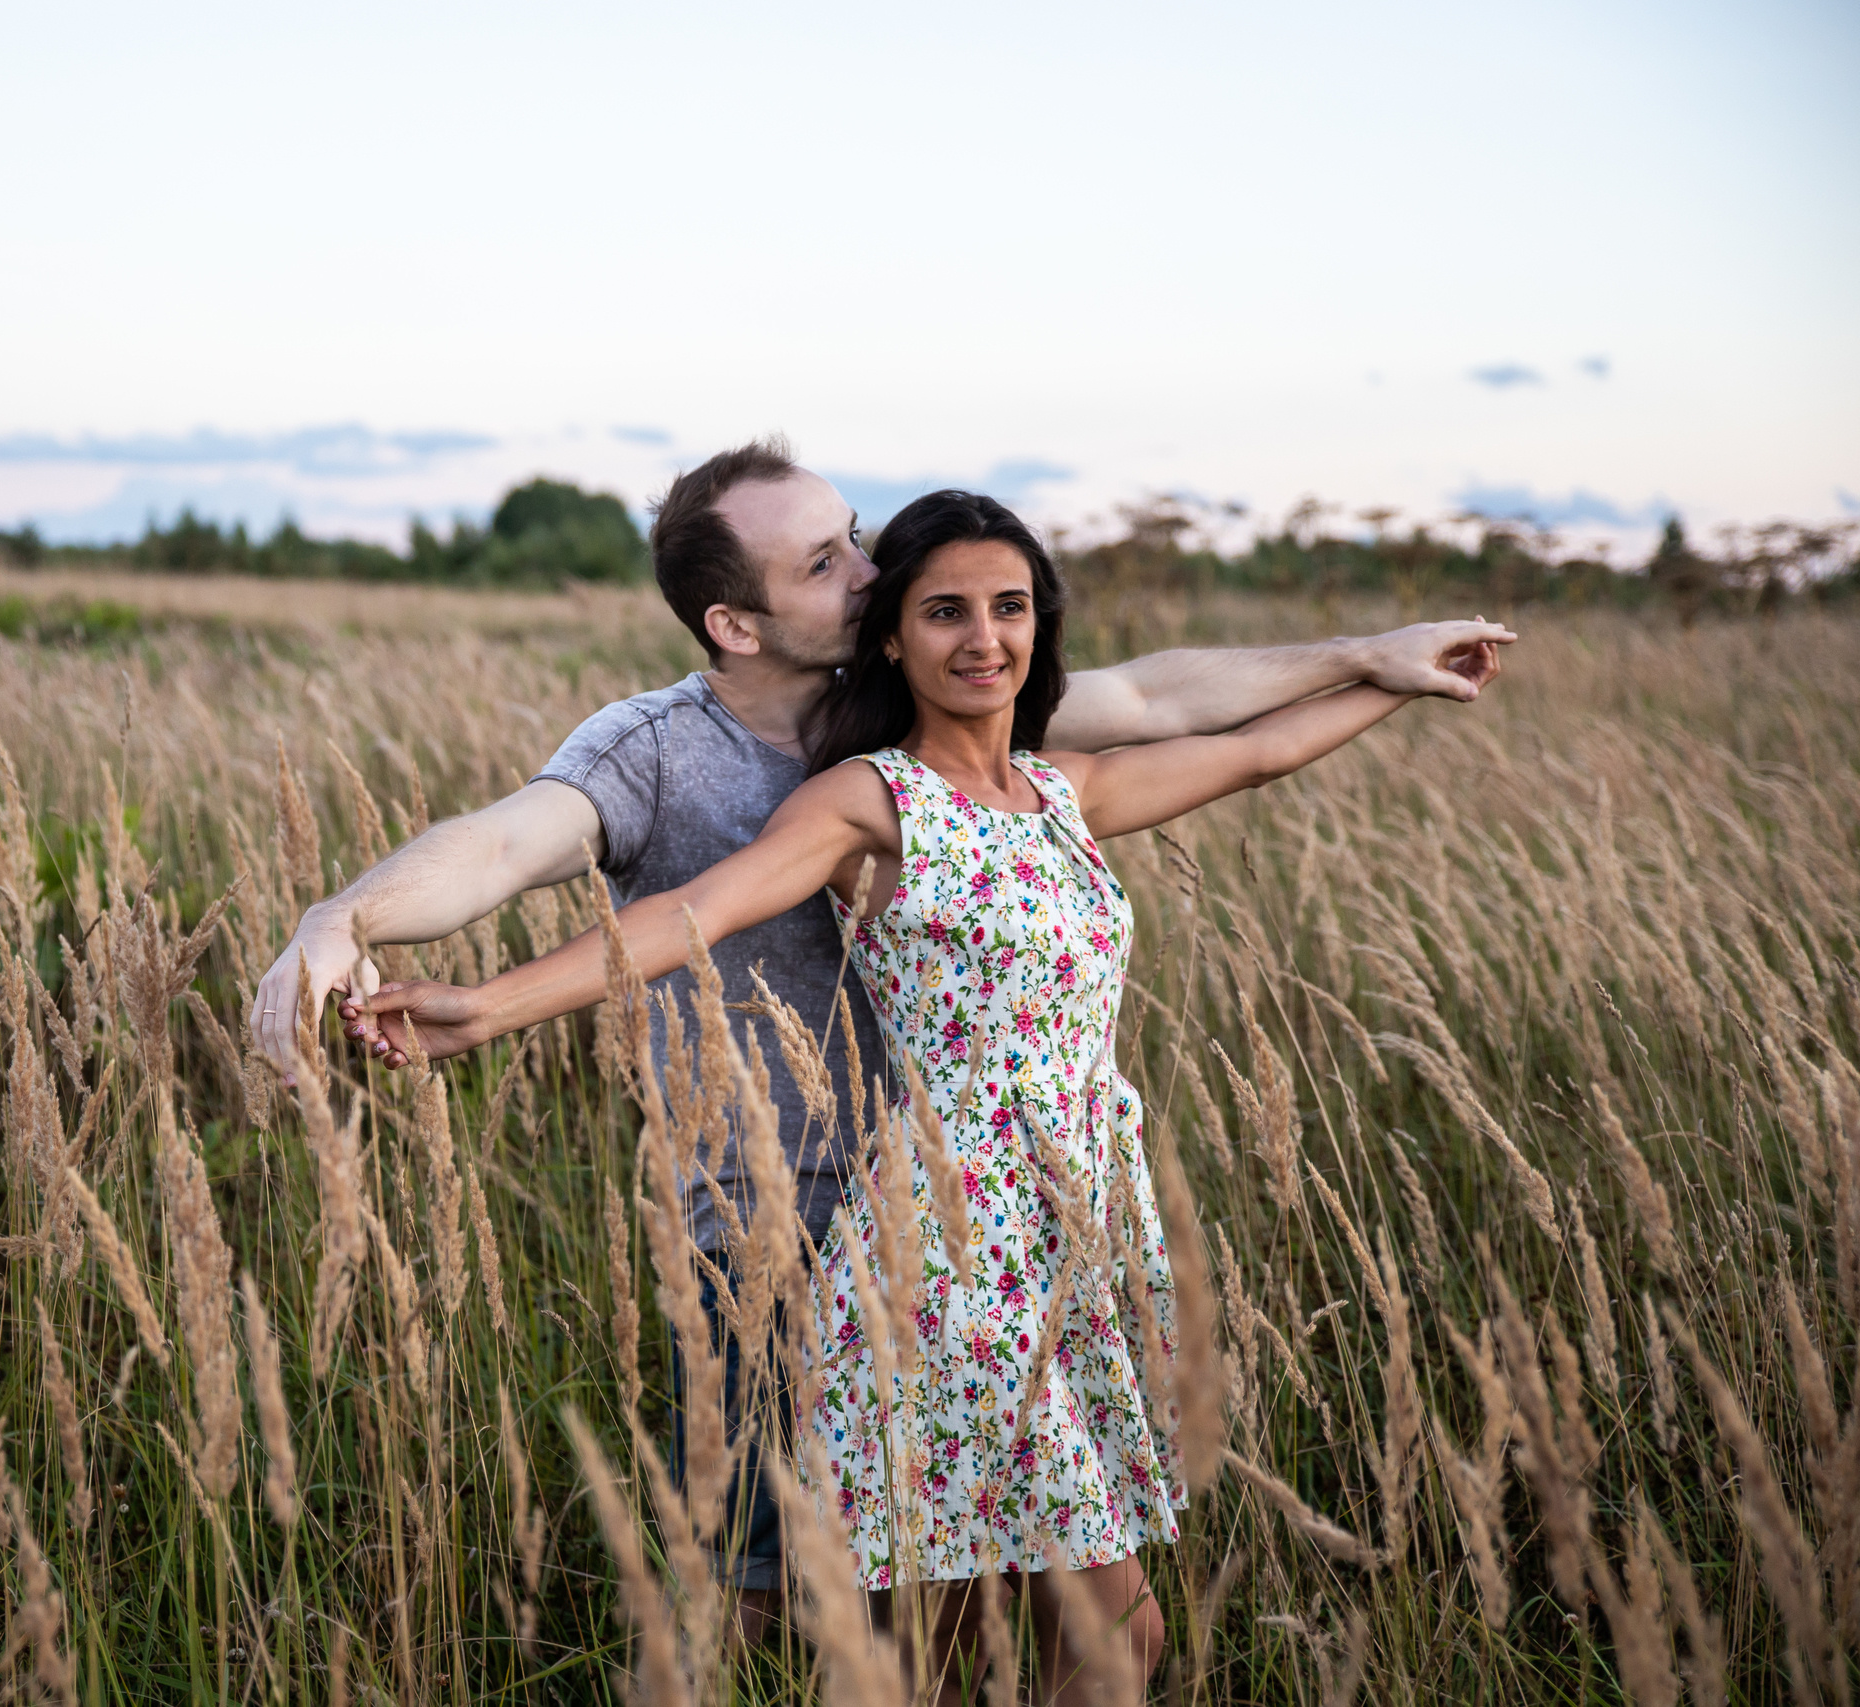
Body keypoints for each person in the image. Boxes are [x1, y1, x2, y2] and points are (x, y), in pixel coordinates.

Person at [252, 438, 1511, 1633]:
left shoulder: (952, 718)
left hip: (1018, 1216)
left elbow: (1172, 703)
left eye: (854, 541)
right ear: (733, 625)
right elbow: (513, 847)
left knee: (996, 1601)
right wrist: (348, 918)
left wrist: (1373, 656)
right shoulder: (664, 753)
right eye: (825, 565)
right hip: (780, 1215)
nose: (868, 572)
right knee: (777, 1596)